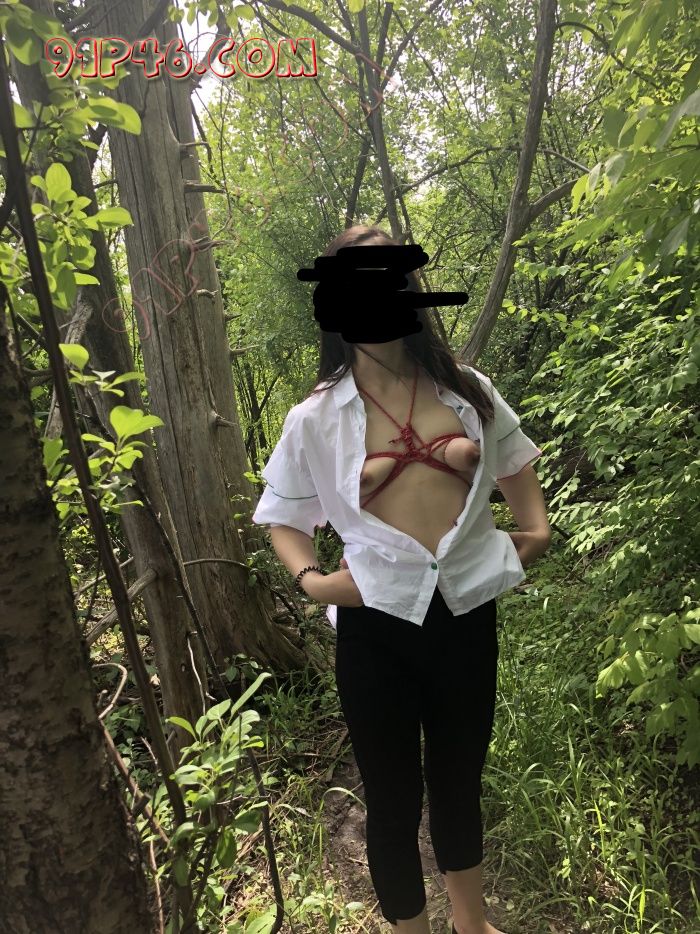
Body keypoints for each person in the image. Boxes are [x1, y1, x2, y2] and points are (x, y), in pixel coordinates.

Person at [252, 224, 552, 934]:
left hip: (464, 615)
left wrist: (535, 532)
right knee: (391, 798)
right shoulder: (315, 418)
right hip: (374, 625)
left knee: (459, 780)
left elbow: (515, 462)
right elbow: (284, 518)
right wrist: (314, 582)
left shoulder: (467, 391)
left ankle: (471, 923)